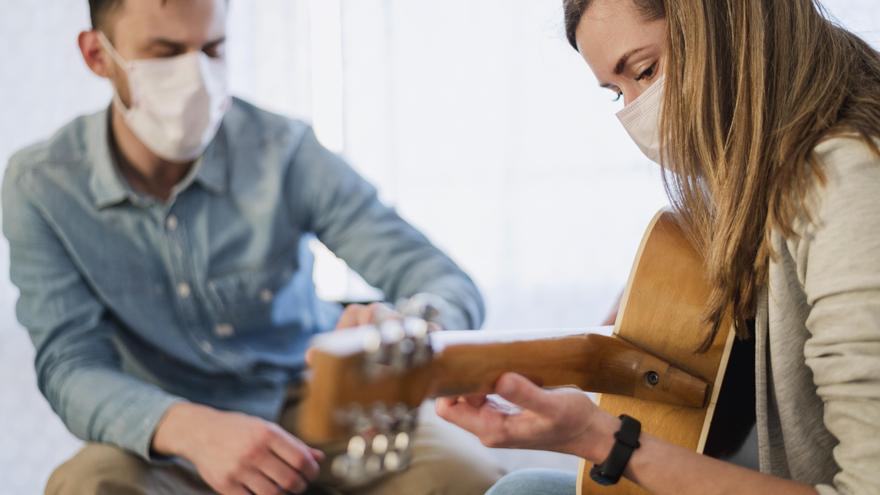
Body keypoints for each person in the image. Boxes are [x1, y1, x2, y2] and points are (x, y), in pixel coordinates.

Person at [1, 0, 503, 493]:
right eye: (165, 52)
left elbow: (440, 279)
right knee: (91, 483)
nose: (196, 77)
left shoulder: (282, 150)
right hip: (170, 425)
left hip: (318, 399)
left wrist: (411, 330)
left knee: (466, 476)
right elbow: (70, 365)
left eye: (213, 49)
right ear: (97, 55)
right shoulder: (41, 186)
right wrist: (191, 429)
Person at [437, 0, 880, 494]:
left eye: (645, 71)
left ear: (726, 21)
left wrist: (597, 437)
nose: (634, 113)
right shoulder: (748, 187)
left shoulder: (848, 182)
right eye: (616, 93)